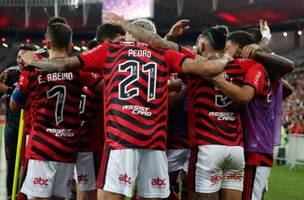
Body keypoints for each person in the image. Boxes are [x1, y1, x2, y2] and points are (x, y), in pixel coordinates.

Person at [20, 13, 233, 200]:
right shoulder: (165, 54)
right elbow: (208, 68)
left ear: (132, 35)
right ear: (154, 38)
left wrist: (34, 62)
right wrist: (226, 58)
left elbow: (66, 63)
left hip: (121, 138)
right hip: (154, 141)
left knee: (110, 195)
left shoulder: (111, 50)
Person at [10, 23, 99, 200]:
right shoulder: (79, 69)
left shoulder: (33, 69)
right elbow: (101, 88)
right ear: (70, 46)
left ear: (47, 44)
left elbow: (14, 104)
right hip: (67, 149)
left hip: (42, 148)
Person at [0, 43, 37, 200]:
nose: (20, 60)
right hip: (12, 128)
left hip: (32, 128)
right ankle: (10, 195)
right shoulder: (11, 73)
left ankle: (25, 194)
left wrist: (8, 90)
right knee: (11, 165)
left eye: (24, 57)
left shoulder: (38, 73)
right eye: (18, 56)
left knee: (29, 166)